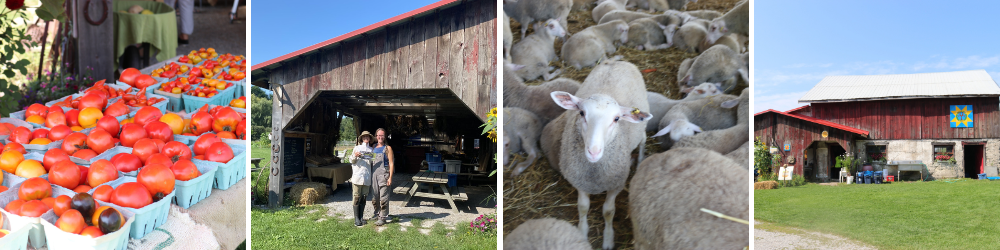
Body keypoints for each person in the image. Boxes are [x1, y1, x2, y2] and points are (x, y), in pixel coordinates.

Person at [349, 131, 375, 226]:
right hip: (357, 176)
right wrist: (355, 156)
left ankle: (361, 217)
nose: (366, 138)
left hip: (367, 177)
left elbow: (373, 161)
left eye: (367, 136)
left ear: (370, 138)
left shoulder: (371, 150)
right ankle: (356, 218)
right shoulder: (357, 148)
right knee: (356, 197)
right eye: (364, 137)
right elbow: (351, 160)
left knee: (364, 197)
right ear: (361, 138)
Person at [370, 128, 395, 226]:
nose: (380, 137)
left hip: (384, 174)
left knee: (383, 197)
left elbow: (391, 164)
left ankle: (383, 217)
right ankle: (376, 213)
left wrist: (390, 178)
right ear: (376, 136)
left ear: (385, 137)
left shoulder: (388, 148)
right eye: (378, 135)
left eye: (382, 135)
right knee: (374, 196)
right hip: (374, 174)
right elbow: (370, 161)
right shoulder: (373, 147)